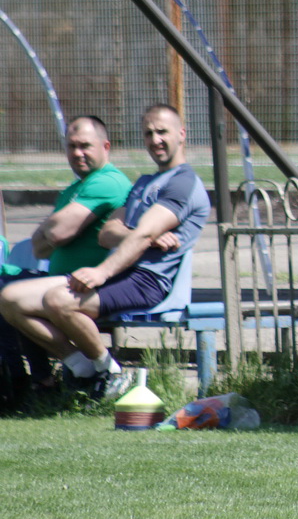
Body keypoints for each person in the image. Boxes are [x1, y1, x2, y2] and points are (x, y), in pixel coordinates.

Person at [0, 104, 210, 399]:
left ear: (182, 134)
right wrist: (142, 236)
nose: (155, 140)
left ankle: (111, 372)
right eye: (148, 133)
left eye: (162, 132)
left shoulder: (183, 183)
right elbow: (108, 234)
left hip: (146, 280)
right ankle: (84, 370)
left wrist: (103, 270)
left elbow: (143, 233)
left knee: (59, 300)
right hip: (122, 271)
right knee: (10, 298)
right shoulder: (145, 182)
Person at [0, 116, 131, 402]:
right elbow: (39, 247)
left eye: (85, 146)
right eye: (71, 146)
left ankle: (35, 383)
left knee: (8, 292)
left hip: (91, 284)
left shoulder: (107, 182)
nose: (77, 153)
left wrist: (54, 230)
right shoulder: (76, 188)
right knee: (5, 287)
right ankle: (63, 374)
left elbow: (55, 233)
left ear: (105, 146)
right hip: (62, 280)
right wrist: (54, 231)